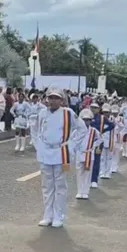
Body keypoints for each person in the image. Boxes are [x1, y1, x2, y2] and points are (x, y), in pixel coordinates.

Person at [33, 90, 85, 228]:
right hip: (45, 152)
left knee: (60, 186)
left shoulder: (68, 113)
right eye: (51, 98)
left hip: (61, 152)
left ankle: (58, 216)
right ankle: (47, 215)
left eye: (56, 98)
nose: (53, 101)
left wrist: (72, 145)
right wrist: (38, 145)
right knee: (47, 186)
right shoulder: (42, 113)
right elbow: (35, 129)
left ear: (62, 100)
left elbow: (82, 129)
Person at [74, 108, 102, 200]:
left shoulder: (93, 130)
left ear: (90, 121)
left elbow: (100, 139)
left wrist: (93, 146)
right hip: (79, 153)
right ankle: (79, 191)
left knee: (87, 174)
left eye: (88, 120)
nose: (86, 122)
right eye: (84, 120)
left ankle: (85, 192)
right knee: (79, 173)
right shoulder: (77, 130)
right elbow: (71, 139)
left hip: (89, 154)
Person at [88, 101, 113, 188]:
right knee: (86, 160)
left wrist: (103, 131)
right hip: (87, 142)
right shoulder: (86, 116)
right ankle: (87, 179)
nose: (93, 109)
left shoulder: (102, 118)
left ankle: (94, 180)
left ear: (99, 109)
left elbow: (111, 125)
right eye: (92, 107)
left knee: (96, 160)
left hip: (98, 142)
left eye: (95, 108)